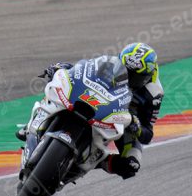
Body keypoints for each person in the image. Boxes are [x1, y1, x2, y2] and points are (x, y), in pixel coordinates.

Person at [16, 42, 164, 179]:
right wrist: (63, 68)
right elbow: (84, 70)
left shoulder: (153, 94)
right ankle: (35, 122)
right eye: (126, 71)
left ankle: (99, 160)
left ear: (147, 76)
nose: (129, 77)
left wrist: (136, 126)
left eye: (135, 76)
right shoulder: (110, 64)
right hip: (98, 103)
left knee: (132, 164)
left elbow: (147, 135)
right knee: (58, 84)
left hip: (123, 121)